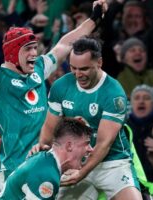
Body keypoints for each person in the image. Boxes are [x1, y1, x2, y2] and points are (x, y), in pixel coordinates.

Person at [0, 0, 108, 197]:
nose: (34, 53)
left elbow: (65, 44)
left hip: (46, 164)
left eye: (35, 48)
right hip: (16, 171)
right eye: (28, 49)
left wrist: (93, 20)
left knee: (90, 189)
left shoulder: (38, 69)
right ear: (13, 52)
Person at [31, 36, 142, 199]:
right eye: (73, 68)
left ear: (99, 63)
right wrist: (43, 149)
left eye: (84, 69)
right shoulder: (61, 86)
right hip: (75, 160)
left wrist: (82, 173)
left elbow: (104, 143)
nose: (77, 74)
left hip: (112, 162)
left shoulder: (114, 94)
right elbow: (49, 128)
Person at [5, 118, 93, 200]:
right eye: (87, 144)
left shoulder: (45, 161)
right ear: (69, 146)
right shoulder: (47, 176)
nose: (91, 149)